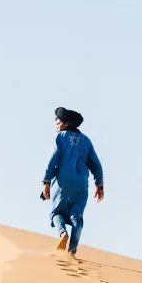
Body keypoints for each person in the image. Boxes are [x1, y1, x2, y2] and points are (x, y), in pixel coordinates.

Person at [41, 106, 104, 260]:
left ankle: (63, 234)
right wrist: (99, 184)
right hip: (81, 185)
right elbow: (96, 164)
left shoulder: (60, 137)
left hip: (62, 183)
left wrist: (46, 181)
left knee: (56, 213)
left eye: (59, 119)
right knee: (77, 217)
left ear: (67, 123)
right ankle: (72, 252)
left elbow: (52, 159)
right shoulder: (86, 141)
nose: (56, 121)